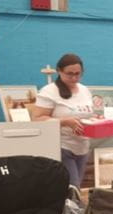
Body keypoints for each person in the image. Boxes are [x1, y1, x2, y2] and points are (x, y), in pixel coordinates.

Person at [33, 53, 94, 187]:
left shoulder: (84, 90)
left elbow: (87, 114)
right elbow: (37, 119)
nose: (74, 78)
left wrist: (95, 120)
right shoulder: (49, 91)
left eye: (78, 74)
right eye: (69, 74)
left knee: (76, 187)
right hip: (62, 146)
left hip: (83, 146)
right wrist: (64, 122)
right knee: (72, 187)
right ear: (59, 71)